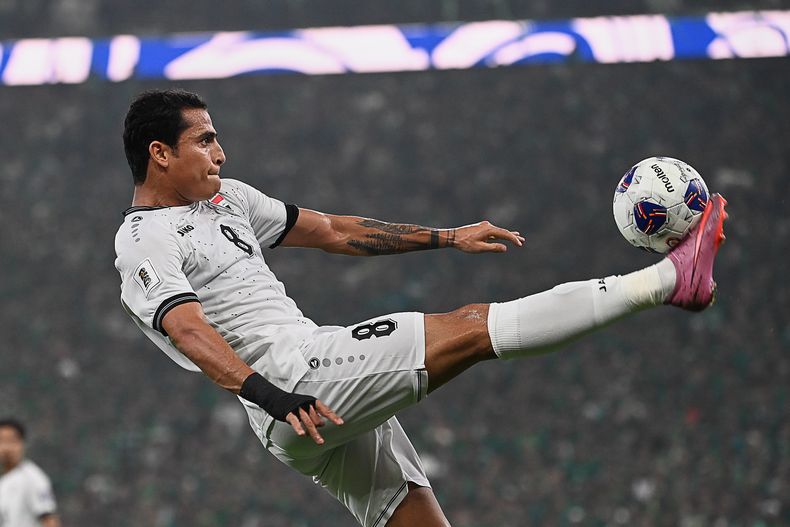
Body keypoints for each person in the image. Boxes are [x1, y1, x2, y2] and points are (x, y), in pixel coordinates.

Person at [114, 89, 727, 527]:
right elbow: (188, 329)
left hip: (308, 385)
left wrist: (447, 236)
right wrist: (271, 393)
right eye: (206, 139)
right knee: (472, 325)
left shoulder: (229, 201)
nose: (220, 152)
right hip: (289, 382)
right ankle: (666, 280)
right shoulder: (143, 239)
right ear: (160, 153)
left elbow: (332, 230)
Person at [0, 419, 60, 527]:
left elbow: (49, 520)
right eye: (2, 441)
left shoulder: (33, 478)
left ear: (22, 444)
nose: (6, 448)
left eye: (12, 441)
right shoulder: (4, 481)